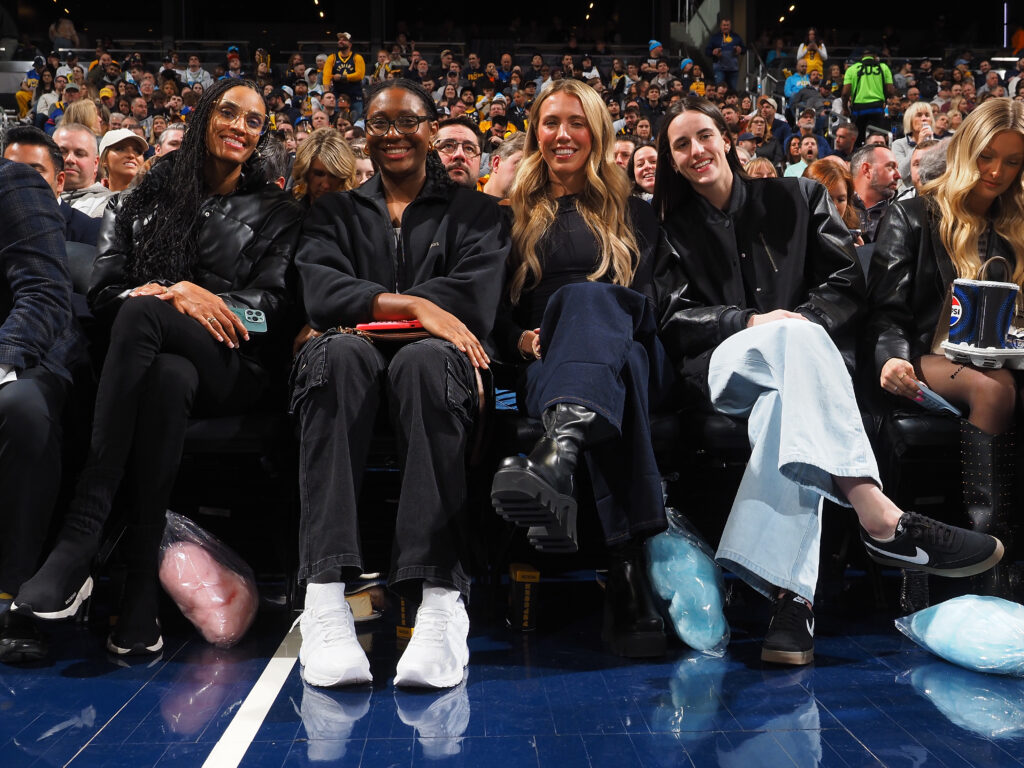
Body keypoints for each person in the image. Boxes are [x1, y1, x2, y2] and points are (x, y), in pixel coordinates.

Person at [652, 97, 1003, 666]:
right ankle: (878, 514)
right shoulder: (664, 226)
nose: (696, 151)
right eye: (681, 144)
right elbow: (668, 316)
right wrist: (748, 321)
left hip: (793, 373)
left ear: (727, 140)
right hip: (719, 368)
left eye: (704, 136)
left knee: (783, 407)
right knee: (792, 341)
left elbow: (847, 279)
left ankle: (792, 604)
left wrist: (801, 327)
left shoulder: (797, 195)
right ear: (671, 159)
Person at [12, 79, 303, 657]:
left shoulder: (278, 211)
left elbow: (272, 311)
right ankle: (140, 602)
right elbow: (102, 291)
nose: (240, 127)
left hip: (236, 364)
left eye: (253, 121)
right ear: (203, 119)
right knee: (168, 375)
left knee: (148, 314)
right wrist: (178, 293)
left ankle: (83, 532)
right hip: (156, 362)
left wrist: (194, 300)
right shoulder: (140, 197)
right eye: (229, 112)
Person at [291, 78, 508, 689]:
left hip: (434, 369)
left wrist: (380, 315)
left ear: (432, 129)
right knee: (338, 358)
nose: (393, 135)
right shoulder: (333, 211)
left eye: (406, 121)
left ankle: (440, 601)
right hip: (348, 364)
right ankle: (326, 596)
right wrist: (412, 310)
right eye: (379, 123)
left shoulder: (480, 213)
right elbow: (319, 293)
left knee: (423, 363)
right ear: (365, 130)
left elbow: (473, 302)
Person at [489, 79, 669, 658]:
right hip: (545, 363)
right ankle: (626, 568)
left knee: (592, 303)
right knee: (606, 381)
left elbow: (646, 307)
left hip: (631, 350)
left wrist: (578, 315)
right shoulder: (509, 217)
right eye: (549, 122)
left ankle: (558, 456)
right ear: (534, 133)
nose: (562, 134)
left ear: (596, 131)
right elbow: (490, 313)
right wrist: (519, 338)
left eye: (575, 122)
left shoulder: (635, 213)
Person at [867, 99, 1024, 597]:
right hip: (926, 355)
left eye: (1014, 161)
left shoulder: (1017, 225)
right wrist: (890, 358)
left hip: (1006, 356)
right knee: (994, 391)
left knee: (1000, 381)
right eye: (987, 156)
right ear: (966, 151)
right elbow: (887, 312)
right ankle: (986, 559)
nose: (997, 171)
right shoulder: (913, 214)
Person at [0, 158, 83, 662]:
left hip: (22, 358)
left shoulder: (14, 183)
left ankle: (13, 594)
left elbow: (45, 294)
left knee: (22, 408)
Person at [289, 127, 358, 206]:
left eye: (333, 176)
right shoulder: (289, 212)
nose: (326, 185)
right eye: (319, 174)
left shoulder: (356, 213)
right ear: (305, 172)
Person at [803, 159, 864, 246]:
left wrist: (858, 256)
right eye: (828, 199)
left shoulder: (853, 237)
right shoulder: (794, 242)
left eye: (841, 200)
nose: (834, 207)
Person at [891, 102, 935, 188]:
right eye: (919, 115)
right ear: (910, 121)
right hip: (908, 194)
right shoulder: (899, 144)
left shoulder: (939, 144)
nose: (924, 119)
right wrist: (918, 145)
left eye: (927, 115)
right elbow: (900, 173)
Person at [97, 128, 147, 192]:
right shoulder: (92, 200)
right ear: (104, 159)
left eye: (138, 151)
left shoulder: (155, 199)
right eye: (120, 149)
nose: (131, 155)